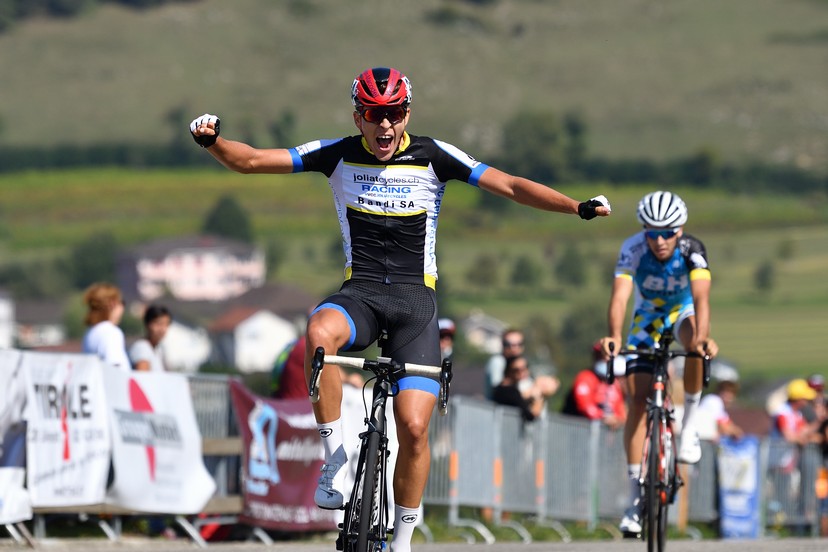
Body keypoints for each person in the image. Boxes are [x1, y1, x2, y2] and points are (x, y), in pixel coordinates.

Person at [190, 66, 610, 552]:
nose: (385, 124)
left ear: (407, 114)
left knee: (413, 427)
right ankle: (334, 458)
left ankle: (403, 539)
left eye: (394, 113)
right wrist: (213, 142)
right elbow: (250, 161)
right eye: (374, 115)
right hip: (361, 295)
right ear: (358, 118)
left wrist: (576, 207)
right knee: (319, 332)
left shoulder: (434, 155)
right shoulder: (337, 154)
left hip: (415, 305)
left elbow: (512, 186)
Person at [599, 190, 718, 534]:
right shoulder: (632, 248)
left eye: (667, 233)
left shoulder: (692, 250)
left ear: (679, 230)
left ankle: (689, 425)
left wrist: (703, 337)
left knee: (695, 345)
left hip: (683, 312)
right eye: (652, 233)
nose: (660, 240)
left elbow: (702, 299)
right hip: (648, 316)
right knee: (637, 401)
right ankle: (635, 496)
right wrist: (614, 335)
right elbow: (620, 297)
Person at [561, 342, 626, 430]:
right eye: (602, 356)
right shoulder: (585, 377)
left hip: (605, 434)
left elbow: (620, 410)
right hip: (579, 430)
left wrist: (617, 420)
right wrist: (603, 417)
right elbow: (584, 405)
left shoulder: (614, 383)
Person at [491, 355, 559, 422]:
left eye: (525, 368)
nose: (522, 373)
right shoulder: (507, 390)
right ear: (509, 371)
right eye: (517, 370)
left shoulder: (514, 388)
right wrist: (533, 396)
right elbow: (529, 414)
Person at [82, 282, 130, 372]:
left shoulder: (90, 332)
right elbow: (115, 370)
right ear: (112, 304)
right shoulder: (111, 332)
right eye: (121, 302)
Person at [695, 377, 744, 442]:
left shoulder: (719, 405)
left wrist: (735, 431)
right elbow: (722, 427)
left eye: (732, 394)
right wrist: (734, 432)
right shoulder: (713, 400)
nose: (729, 397)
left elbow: (729, 425)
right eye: (727, 393)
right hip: (702, 440)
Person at [484, 328, 526, 399]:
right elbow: (499, 390)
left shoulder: (522, 363)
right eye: (508, 344)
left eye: (518, 344)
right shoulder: (498, 361)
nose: (513, 348)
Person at [129, 304, 172, 372]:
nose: (162, 329)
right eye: (159, 324)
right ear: (148, 324)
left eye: (166, 324)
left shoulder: (159, 349)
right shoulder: (142, 347)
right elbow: (142, 376)